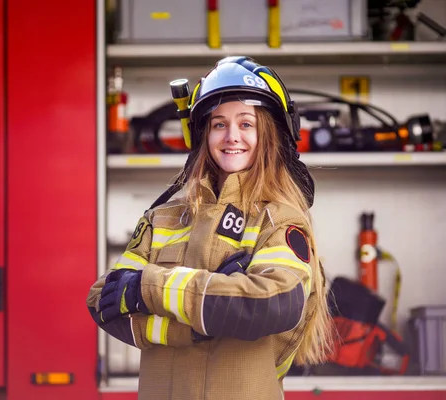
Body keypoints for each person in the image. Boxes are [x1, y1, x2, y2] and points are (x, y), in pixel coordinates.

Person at [86, 56, 334, 400]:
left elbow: (273, 304)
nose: (232, 136)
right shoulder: (164, 217)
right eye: (219, 124)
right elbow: (104, 300)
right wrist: (198, 325)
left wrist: (151, 287)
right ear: (203, 134)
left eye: (246, 123)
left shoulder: (279, 219)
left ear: (271, 132)